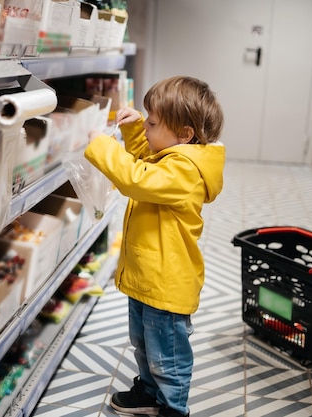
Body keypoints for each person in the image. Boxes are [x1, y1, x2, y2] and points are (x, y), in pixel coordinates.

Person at [84, 75, 225, 417]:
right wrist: (134, 131)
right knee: (145, 345)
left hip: (166, 283)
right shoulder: (174, 157)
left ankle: (173, 408)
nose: (146, 126)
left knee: (168, 354)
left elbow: (139, 179)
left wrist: (102, 147)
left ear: (185, 135)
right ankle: (149, 392)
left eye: (152, 122)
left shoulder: (186, 171)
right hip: (148, 277)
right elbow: (149, 157)